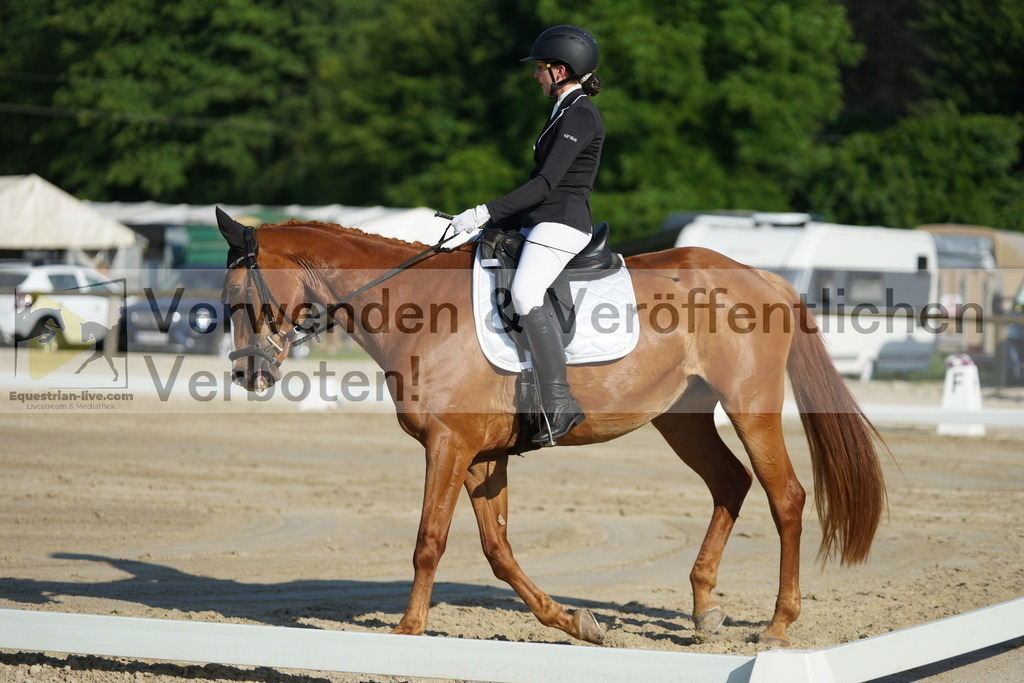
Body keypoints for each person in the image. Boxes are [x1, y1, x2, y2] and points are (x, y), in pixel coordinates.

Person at [451, 25, 605, 445]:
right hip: (542, 219)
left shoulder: (580, 114)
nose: (535, 75)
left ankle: (558, 403)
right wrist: (490, 225)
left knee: (524, 294)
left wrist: (485, 210)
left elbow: (546, 184)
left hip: (563, 222)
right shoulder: (561, 110)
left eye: (540, 68)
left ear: (559, 70)